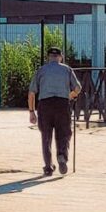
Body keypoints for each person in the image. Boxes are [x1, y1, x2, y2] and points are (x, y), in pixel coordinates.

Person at [28, 46, 81, 176]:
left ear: (48, 58)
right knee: (64, 133)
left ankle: (48, 166)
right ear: (60, 57)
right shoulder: (67, 70)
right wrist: (70, 95)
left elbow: (31, 93)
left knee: (46, 136)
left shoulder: (41, 70)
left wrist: (31, 111)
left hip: (45, 105)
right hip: (62, 104)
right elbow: (78, 88)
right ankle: (62, 155)